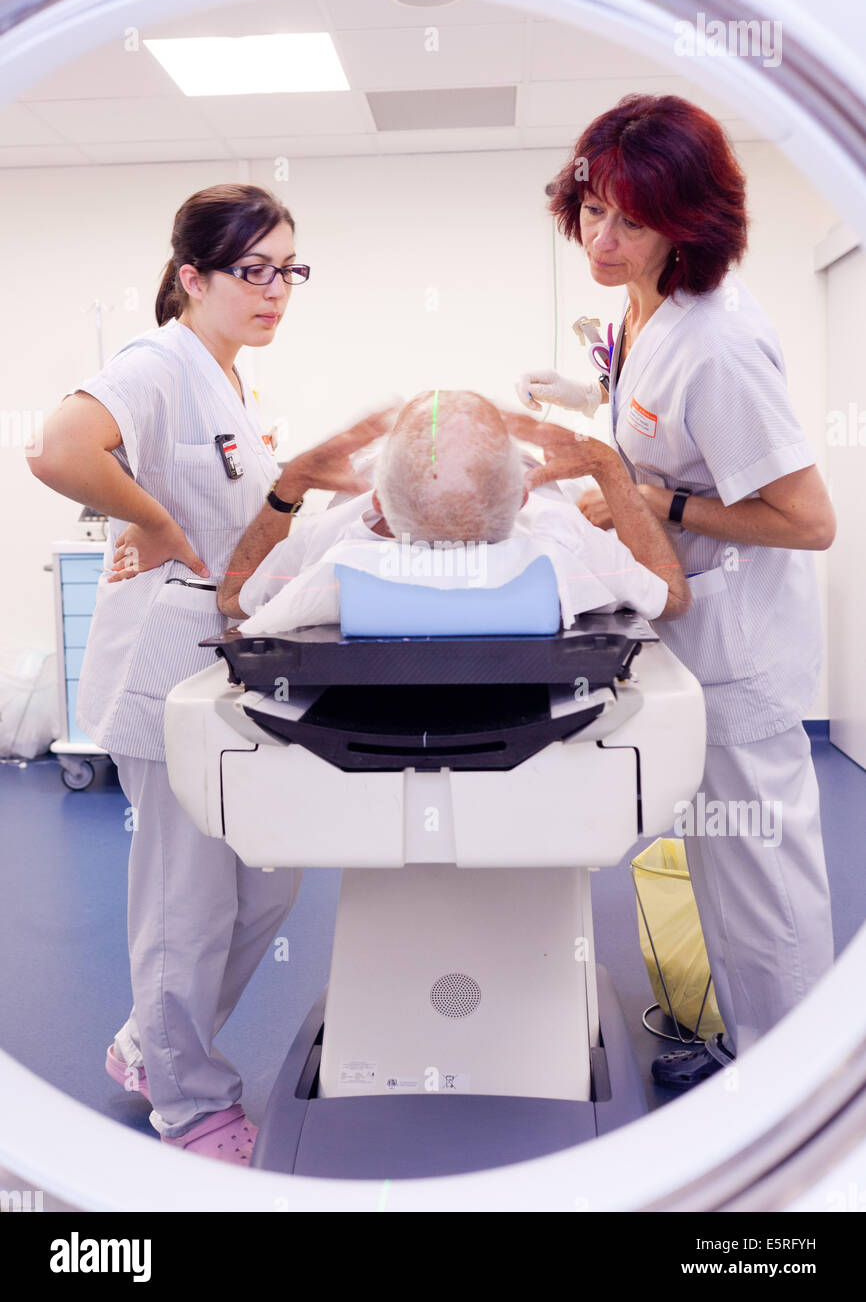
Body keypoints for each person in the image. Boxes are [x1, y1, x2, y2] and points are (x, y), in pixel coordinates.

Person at [28, 183, 391, 1161]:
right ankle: (189, 1104)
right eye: (252, 270)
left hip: (221, 670)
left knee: (266, 883)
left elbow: (240, 532)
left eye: (288, 270)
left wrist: (322, 493)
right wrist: (149, 520)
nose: (275, 290)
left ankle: (149, 1044)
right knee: (185, 907)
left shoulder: (227, 379)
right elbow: (56, 449)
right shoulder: (160, 363)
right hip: (163, 667)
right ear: (193, 277)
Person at [517, 93, 836, 1086]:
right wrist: (589, 402)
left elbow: (808, 520)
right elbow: (657, 413)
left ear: (686, 224)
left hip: (741, 653)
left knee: (763, 887)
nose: (601, 241)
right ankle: (748, 1047)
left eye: (631, 222)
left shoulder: (719, 342)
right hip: (691, 643)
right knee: (716, 870)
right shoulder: (642, 301)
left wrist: (656, 501)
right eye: (591, 211)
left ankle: (792, 1095)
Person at [216, 389, 690, 628]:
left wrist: (293, 481)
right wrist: (607, 467)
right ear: (523, 496)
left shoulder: (337, 536)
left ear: (377, 502)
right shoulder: (559, 531)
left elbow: (233, 597)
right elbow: (671, 597)